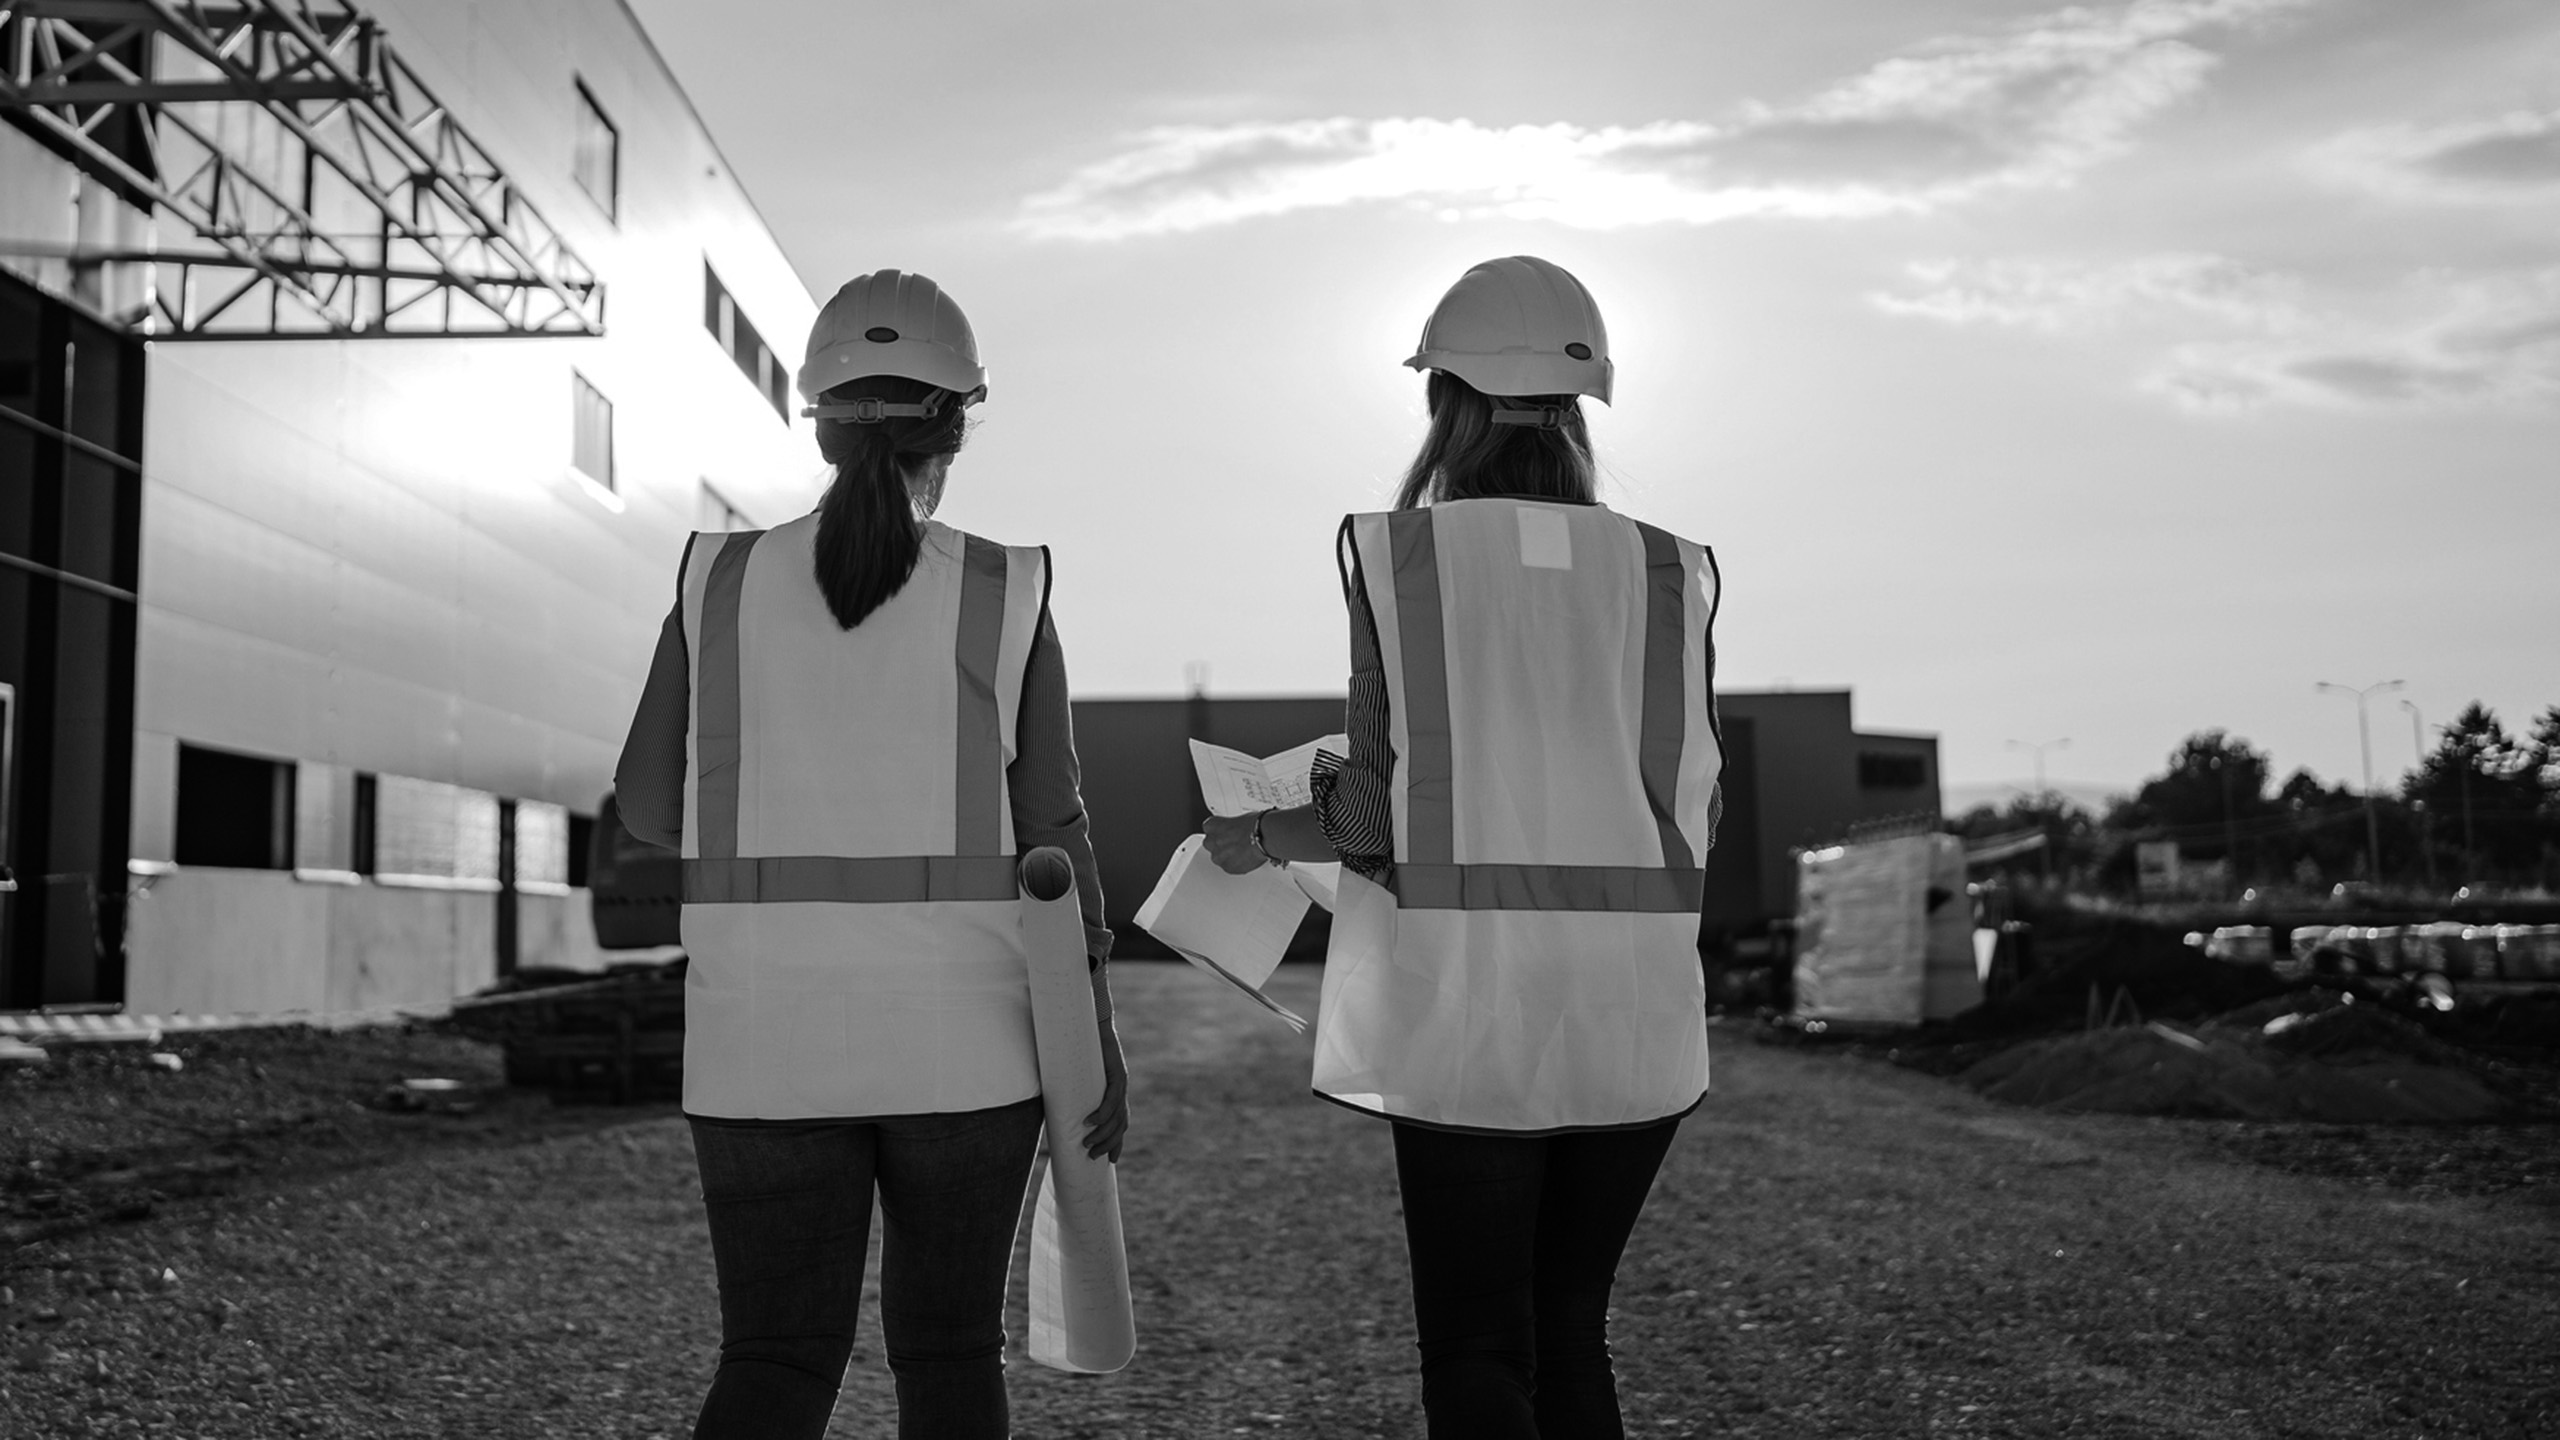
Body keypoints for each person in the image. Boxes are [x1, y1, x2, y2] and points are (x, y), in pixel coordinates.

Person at [1204, 255, 1721, 1440]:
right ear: (1580, 407)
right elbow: (1696, 801)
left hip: (1472, 1005)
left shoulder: (1407, 559)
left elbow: (1382, 817)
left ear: (1448, 400)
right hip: (1634, 1007)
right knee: (1571, 1336)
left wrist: (1269, 830)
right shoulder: (1667, 571)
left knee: (1482, 1348)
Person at [614, 269, 1127, 1440]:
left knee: (778, 1359)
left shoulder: (719, 578)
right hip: (966, 1044)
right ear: (956, 422)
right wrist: (1090, 1026)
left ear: (818, 420)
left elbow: (649, 808)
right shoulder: (1006, 588)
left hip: (762, 1041)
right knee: (949, 1358)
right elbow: (1051, 834)